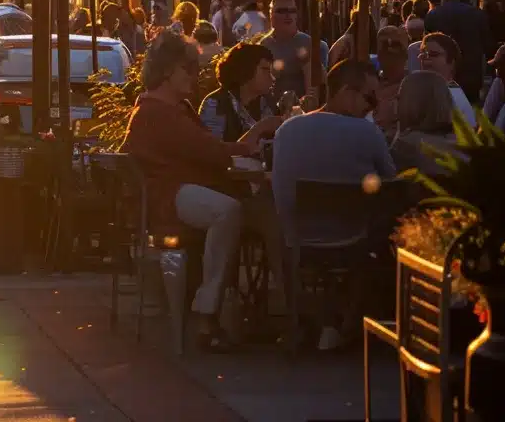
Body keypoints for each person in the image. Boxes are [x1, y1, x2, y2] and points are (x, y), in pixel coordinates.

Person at [122, 32, 281, 351]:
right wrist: (253, 140)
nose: (195, 76)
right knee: (229, 211)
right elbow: (209, 150)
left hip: (173, 191)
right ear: (168, 71)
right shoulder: (160, 113)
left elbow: (204, 150)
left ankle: (231, 309)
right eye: (188, 69)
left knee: (244, 210)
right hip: (168, 198)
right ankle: (208, 311)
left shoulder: (166, 108)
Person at [271, 60, 396, 350]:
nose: (374, 105)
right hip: (354, 239)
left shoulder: (288, 130)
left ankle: (304, 320)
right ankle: (346, 322)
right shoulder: (367, 133)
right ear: (346, 92)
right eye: (370, 96)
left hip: (297, 237)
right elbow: (392, 183)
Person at [425, 0, 492, 103]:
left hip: (443, 74)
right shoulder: (477, 14)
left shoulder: (432, 15)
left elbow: (426, 46)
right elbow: (487, 45)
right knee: (471, 111)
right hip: (472, 74)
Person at [198, 42, 278, 142]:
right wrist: (260, 128)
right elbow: (213, 150)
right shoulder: (216, 104)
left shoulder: (266, 102)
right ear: (245, 70)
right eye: (265, 70)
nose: (272, 78)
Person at [389, 71, 463, 178]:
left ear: (411, 103)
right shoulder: (463, 145)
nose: (395, 102)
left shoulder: (406, 145)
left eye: (400, 98)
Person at [261, 0, 318, 102]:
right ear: (271, 15)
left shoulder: (306, 43)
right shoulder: (264, 44)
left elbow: (312, 89)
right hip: (269, 110)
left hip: (299, 111)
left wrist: (307, 105)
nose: (288, 15)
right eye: (281, 11)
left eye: (292, 11)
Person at [418, 31, 478, 128]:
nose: (426, 59)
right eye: (423, 55)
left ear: (451, 62)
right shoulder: (432, 91)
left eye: (433, 54)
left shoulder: (451, 96)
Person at [374, 25, 411, 135]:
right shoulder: (370, 84)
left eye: (395, 45)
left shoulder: (412, 86)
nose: (389, 48)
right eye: (384, 46)